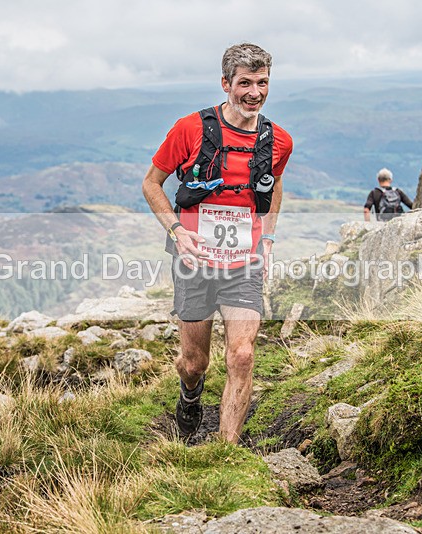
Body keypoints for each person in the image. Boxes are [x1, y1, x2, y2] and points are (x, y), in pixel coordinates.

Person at [142, 43, 293, 443]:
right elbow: (151, 184)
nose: (255, 93)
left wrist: (269, 236)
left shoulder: (279, 141)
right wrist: (176, 230)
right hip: (194, 259)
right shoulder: (189, 129)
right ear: (226, 84)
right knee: (194, 362)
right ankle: (190, 395)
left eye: (263, 83)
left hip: (244, 260)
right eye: (245, 83)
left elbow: (274, 184)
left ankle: (227, 451)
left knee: (242, 354)